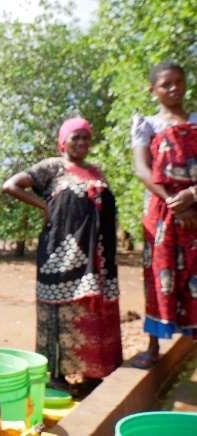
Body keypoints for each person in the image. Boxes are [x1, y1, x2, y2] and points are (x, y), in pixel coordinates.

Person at [2, 117, 123, 391]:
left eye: (85, 138)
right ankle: (56, 377)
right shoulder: (52, 166)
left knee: (92, 311)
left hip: (98, 258)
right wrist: (43, 206)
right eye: (75, 137)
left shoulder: (96, 171)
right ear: (63, 141)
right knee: (61, 311)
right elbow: (11, 185)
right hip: (62, 255)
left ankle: (92, 373)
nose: (81, 142)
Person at [131, 61, 197, 368]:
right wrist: (173, 200)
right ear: (152, 90)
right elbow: (142, 169)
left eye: (178, 82)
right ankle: (153, 346)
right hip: (160, 214)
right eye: (165, 84)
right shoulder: (147, 125)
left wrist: (191, 196)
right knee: (158, 276)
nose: (174, 89)